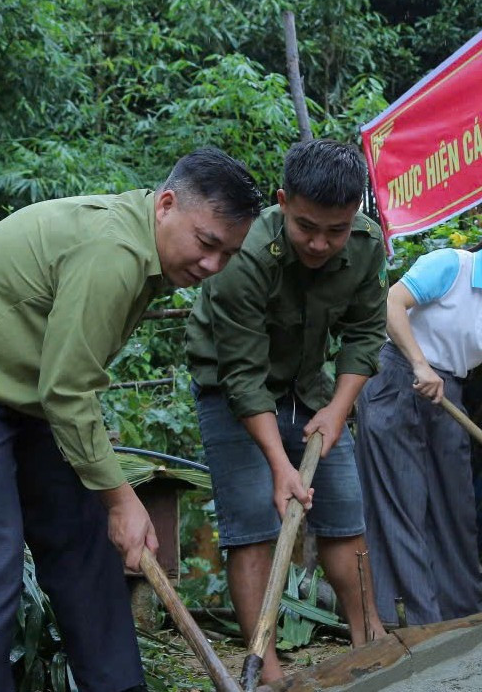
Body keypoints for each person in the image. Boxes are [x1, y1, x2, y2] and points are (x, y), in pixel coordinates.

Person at [0, 147, 263, 692]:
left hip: (24, 395)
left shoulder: (148, 248)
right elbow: (67, 392)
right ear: (166, 205)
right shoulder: (114, 252)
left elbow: (64, 384)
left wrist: (110, 501)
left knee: (85, 544)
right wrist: (122, 500)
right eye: (206, 243)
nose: (211, 267)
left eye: (228, 254)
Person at [186, 139, 388, 684]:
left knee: (344, 515)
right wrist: (280, 465)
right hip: (230, 387)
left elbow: (365, 334)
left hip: (308, 386)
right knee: (254, 522)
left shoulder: (367, 245)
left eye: (336, 230)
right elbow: (242, 376)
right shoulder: (244, 254)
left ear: (355, 215)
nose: (320, 243)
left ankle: (368, 644)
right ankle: (267, 670)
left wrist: (338, 410)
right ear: (282, 201)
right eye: (306, 227)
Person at [354, 208, 482, 626]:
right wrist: (419, 364)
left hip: (446, 394)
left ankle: (461, 614)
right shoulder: (451, 265)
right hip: (396, 379)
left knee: (455, 506)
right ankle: (419, 621)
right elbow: (393, 303)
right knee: (403, 500)